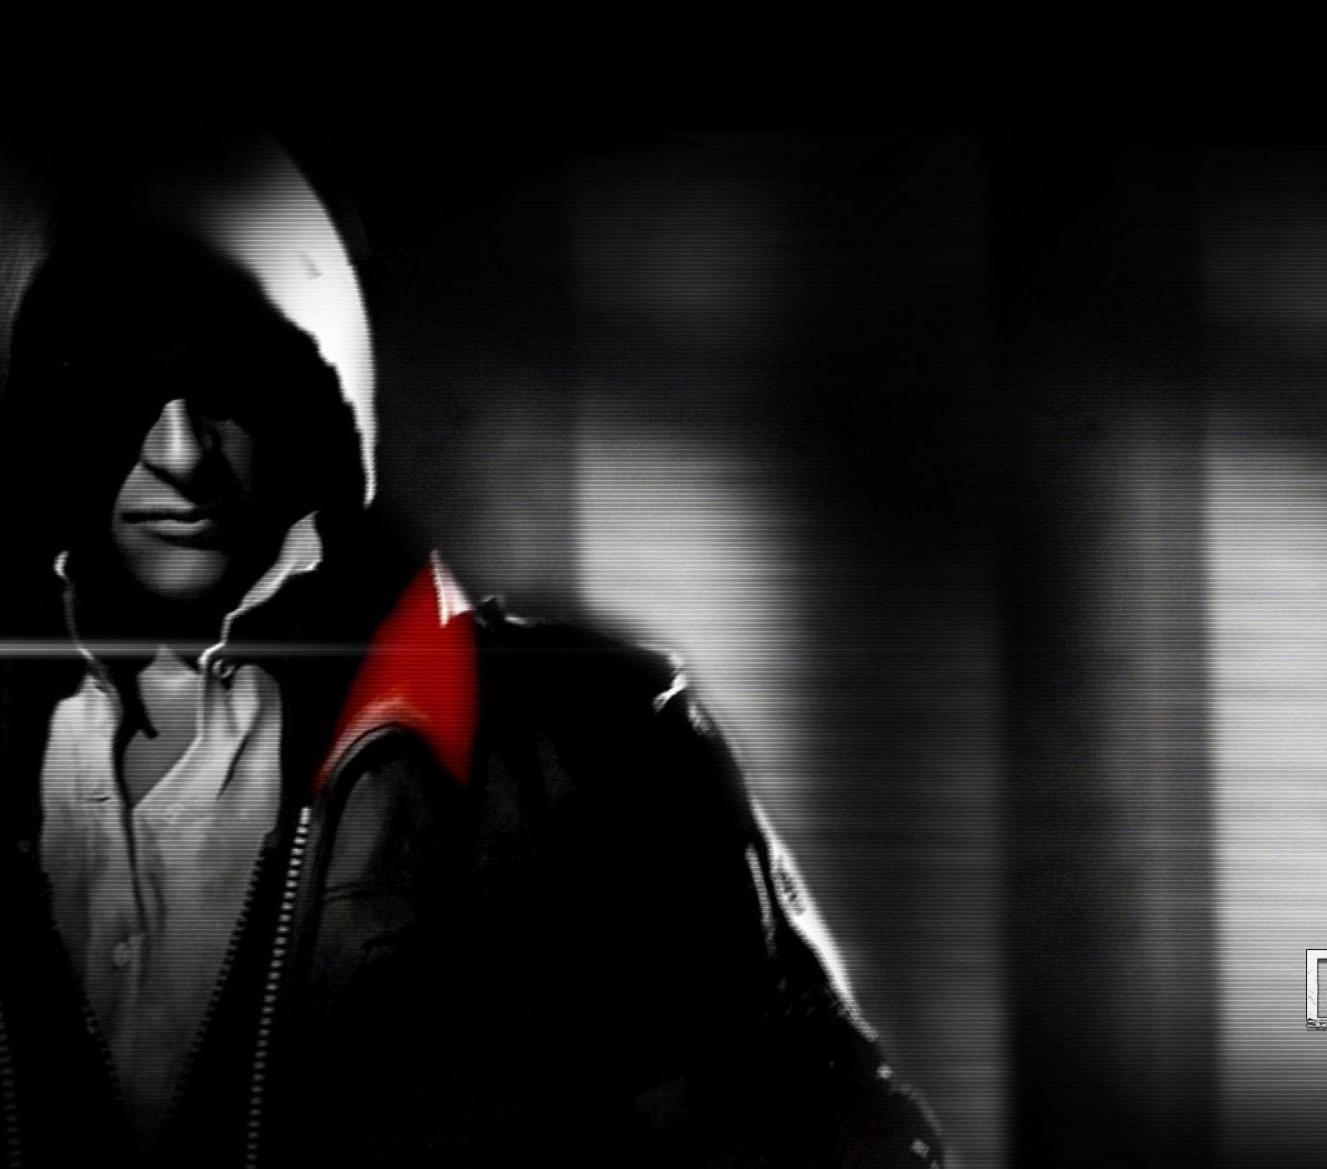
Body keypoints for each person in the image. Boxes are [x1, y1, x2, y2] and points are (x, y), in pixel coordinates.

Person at [0, 212, 942, 1166]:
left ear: (312, 388)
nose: (183, 455)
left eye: (225, 387)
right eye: (125, 390)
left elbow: (824, 1133)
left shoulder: (591, 738)